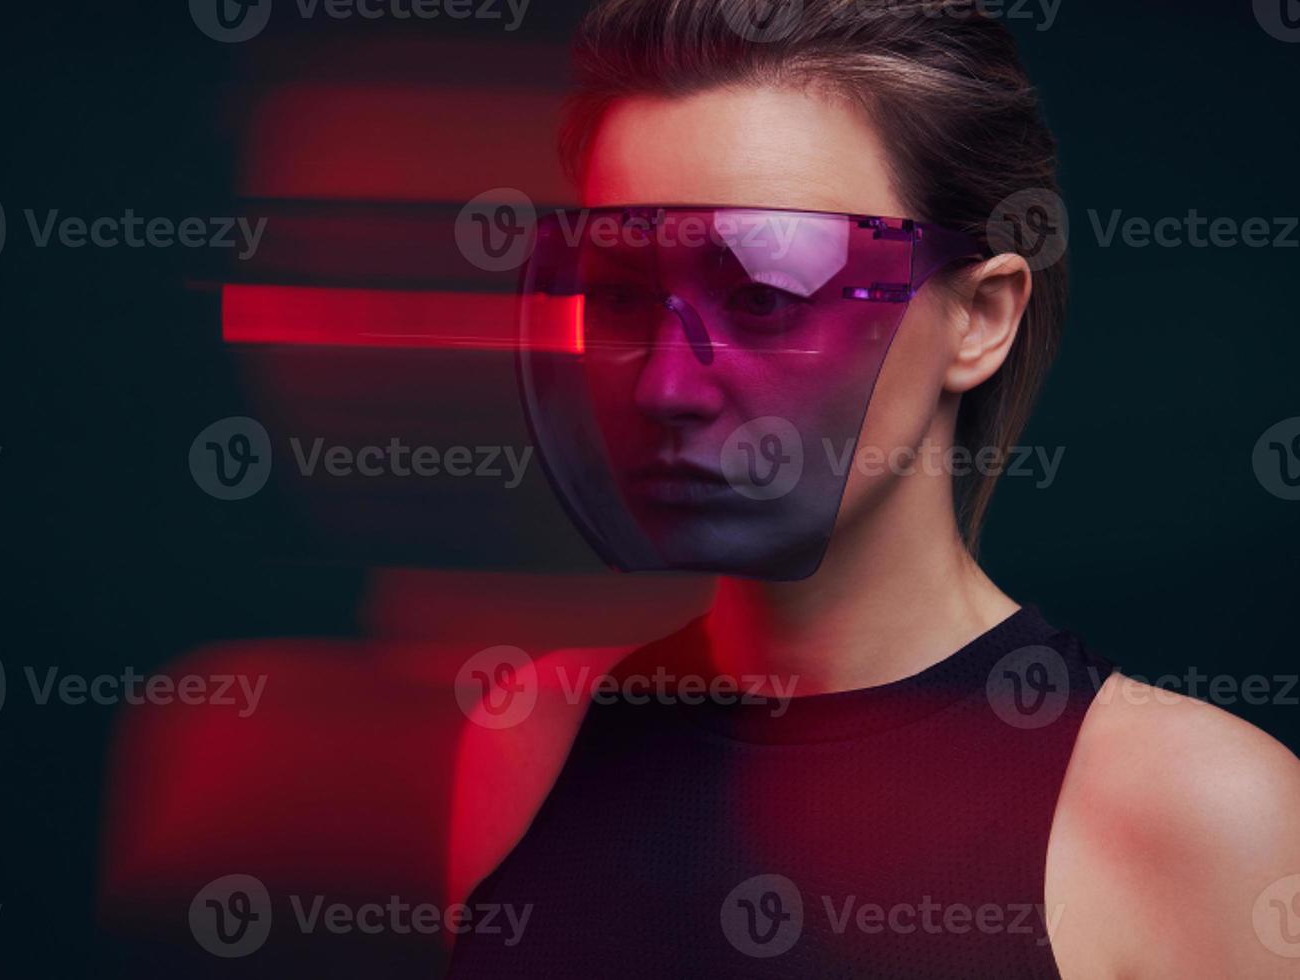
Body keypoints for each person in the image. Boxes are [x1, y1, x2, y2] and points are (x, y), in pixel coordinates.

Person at [445, 1, 1300, 977]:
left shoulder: (1203, 813)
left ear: (980, 315)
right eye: (624, 293)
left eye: (765, 296)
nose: (664, 385)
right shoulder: (533, 731)